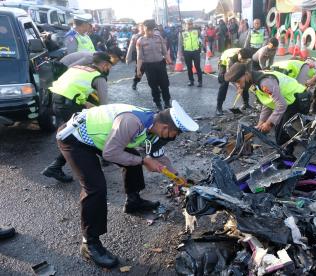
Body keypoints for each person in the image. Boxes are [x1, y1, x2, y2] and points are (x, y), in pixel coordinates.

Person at [56, 101, 198, 268]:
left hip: (104, 139)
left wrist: (176, 178)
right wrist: (143, 160)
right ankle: (90, 243)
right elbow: (110, 154)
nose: (172, 139)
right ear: (165, 128)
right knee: (95, 188)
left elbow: (160, 157)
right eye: (173, 134)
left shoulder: (154, 126)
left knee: (133, 159)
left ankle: (133, 201)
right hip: (75, 139)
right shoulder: (132, 122)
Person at [41, 52, 115, 183]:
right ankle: (56, 167)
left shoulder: (78, 67)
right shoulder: (99, 77)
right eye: (109, 66)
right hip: (67, 105)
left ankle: (104, 155)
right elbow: (104, 107)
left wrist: (87, 103)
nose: (109, 69)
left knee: (71, 133)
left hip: (53, 102)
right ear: (104, 65)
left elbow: (72, 88)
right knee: (81, 133)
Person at [225, 63, 309, 146]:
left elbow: (281, 105)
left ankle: (290, 156)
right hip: (288, 101)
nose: (238, 85)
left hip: (299, 99)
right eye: (235, 83)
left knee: (282, 136)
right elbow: (268, 102)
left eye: (238, 81)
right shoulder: (254, 81)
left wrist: (269, 123)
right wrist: (261, 122)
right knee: (280, 128)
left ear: (246, 74)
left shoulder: (265, 83)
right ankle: (302, 134)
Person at [136, 20, 172, 111]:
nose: (150, 32)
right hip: (149, 67)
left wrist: (170, 62)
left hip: (160, 65)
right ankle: (158, 103)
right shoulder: (140, 41)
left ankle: (167, 102)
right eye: (148, 30)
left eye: (152, 30)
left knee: (165, 84)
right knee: (153, 86)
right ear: (144, 29)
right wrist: (138, 70)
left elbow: (165, 52)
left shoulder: (159, 38)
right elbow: (139, 57)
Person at [216, 48, 253, 116]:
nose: (242, 60)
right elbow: (230, 75)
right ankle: (218, 108)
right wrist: (238, 85)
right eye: (241, 59)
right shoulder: (231, 59)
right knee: (224, 83)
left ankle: (246, 104)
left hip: (236, 63)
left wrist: (242, 85)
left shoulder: (248, 58)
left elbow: (247, 73)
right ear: (239, 54)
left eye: (245, 60)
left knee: (245, 82)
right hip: (224, 64)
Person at [179, 19, 203, 87]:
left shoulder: (197, 31)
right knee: (189, 67)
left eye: (191, 24)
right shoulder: (182, 32)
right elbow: (180, 44)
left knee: (197, 67)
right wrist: (181, 54)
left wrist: (201, 46)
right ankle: (191, 80)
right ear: (185, 24)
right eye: (188, 24)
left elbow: (202, 39)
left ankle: (200, 81)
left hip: (196, 51)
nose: (190, 25)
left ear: (192, 24)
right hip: (187, 52)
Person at [126, 23, 145, 90]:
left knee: (153, 73)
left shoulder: (149, 35)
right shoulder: (135, 36)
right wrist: (128, 58)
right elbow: (131, 47)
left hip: (150, 58)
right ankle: (135, 83)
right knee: (139, 71)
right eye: (141, 27)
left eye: (144, 27)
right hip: (140, 58)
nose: (143, 29)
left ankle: (156, 86)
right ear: (139, 28)